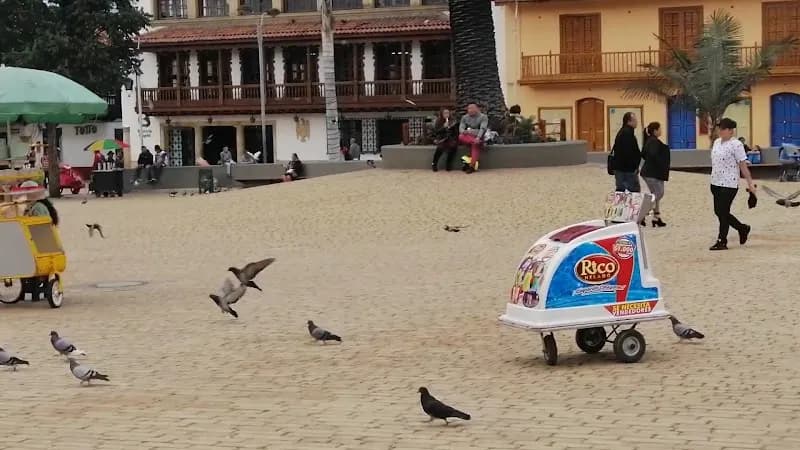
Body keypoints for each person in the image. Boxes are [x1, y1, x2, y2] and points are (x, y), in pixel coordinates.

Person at [709, 118, 756, 251]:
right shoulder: (717, 142)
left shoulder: (736, 145)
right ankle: (742, 228)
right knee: (719, 211)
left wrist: (750, 183)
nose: (720, 131)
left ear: (730, 130)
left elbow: (742, 165)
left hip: (729, 183)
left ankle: (722, 240)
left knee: (723, 211)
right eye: (719, 128)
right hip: (715, 182)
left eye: (723, 128)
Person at [640, 122, 670, 227]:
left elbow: (643, 154)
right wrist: (660, 164)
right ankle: (642, 215)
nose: (661, 131)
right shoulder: (654, 142)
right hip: (652, 173)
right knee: (659, 193)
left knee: (655, 195)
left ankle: (656, 217)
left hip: (649, 172)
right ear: (655, 130)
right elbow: (653, 155)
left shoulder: (649, 141)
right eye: (660, 129)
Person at [610, 112, 642, 192]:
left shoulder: (623, 132)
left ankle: (621, 204)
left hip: (620, 168)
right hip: (627, 170)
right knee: (634, 193)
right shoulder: (627, 134)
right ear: (629, 121)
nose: (636, 122)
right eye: (635, 120)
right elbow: (628, 152)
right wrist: (634, 166)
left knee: (621, 191)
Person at [458, 103, 489, 174]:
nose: (470, 110)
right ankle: (477, 142)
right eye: (469, 109)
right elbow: (461, 129)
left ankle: (471, 166)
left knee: (475, 145)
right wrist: (464, 131)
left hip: (479, 137)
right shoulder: (464, 117)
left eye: (472, 108)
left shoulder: (483, 117)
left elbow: (482, 129)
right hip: (469, 138)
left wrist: (477, 137)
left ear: (477, 109)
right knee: (460, 136)